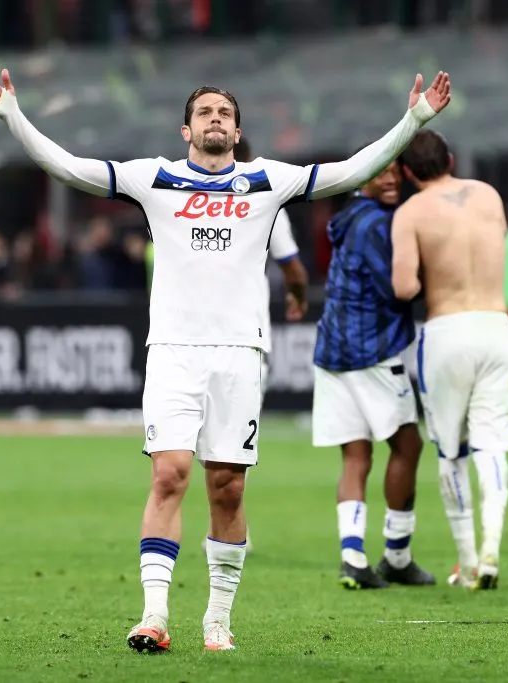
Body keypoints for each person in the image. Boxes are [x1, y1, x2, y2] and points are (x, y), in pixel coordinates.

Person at [0, 66, 451, 651]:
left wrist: (414, 119)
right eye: (204, 112)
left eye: (225, 113)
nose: (215, 119)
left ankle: (217, 621)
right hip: (173, 351)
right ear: (186, 130)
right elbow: (70, 167)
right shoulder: (155, 178)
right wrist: (12, 115)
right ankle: (153, 616)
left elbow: (349, 171)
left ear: (237, 131)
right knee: (169, 474)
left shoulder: (266, 180)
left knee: (227, 487)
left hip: (239, 353)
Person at [391, 130, 508, 591]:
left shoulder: (410, 212)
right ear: (451, 159)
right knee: (492, 446)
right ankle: (492, 549)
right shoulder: (488, 195)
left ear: (407, 173)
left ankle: (467, 562)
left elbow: (404, 287)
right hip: (496, 326)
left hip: (447, 331)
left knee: (451, 451)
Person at [312, 160, 435, 590]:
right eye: (380, 172)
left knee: (356, 455)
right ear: (361, 177)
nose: (390, 179)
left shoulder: (350, 217)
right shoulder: (380, 223)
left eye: (395, 172)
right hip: (372, 348)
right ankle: (397, 555)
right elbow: (397, 287)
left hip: (332, 349)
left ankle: (352, 557)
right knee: (408, 445)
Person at [198, 136, 310, 553]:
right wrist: (298, 296)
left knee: (202, 456)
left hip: (197, 337)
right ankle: (224, 527)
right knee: (226, 455)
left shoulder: (189, 198)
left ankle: (222, 530)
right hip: (243, 339)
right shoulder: (264, 197)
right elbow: (291, 265)